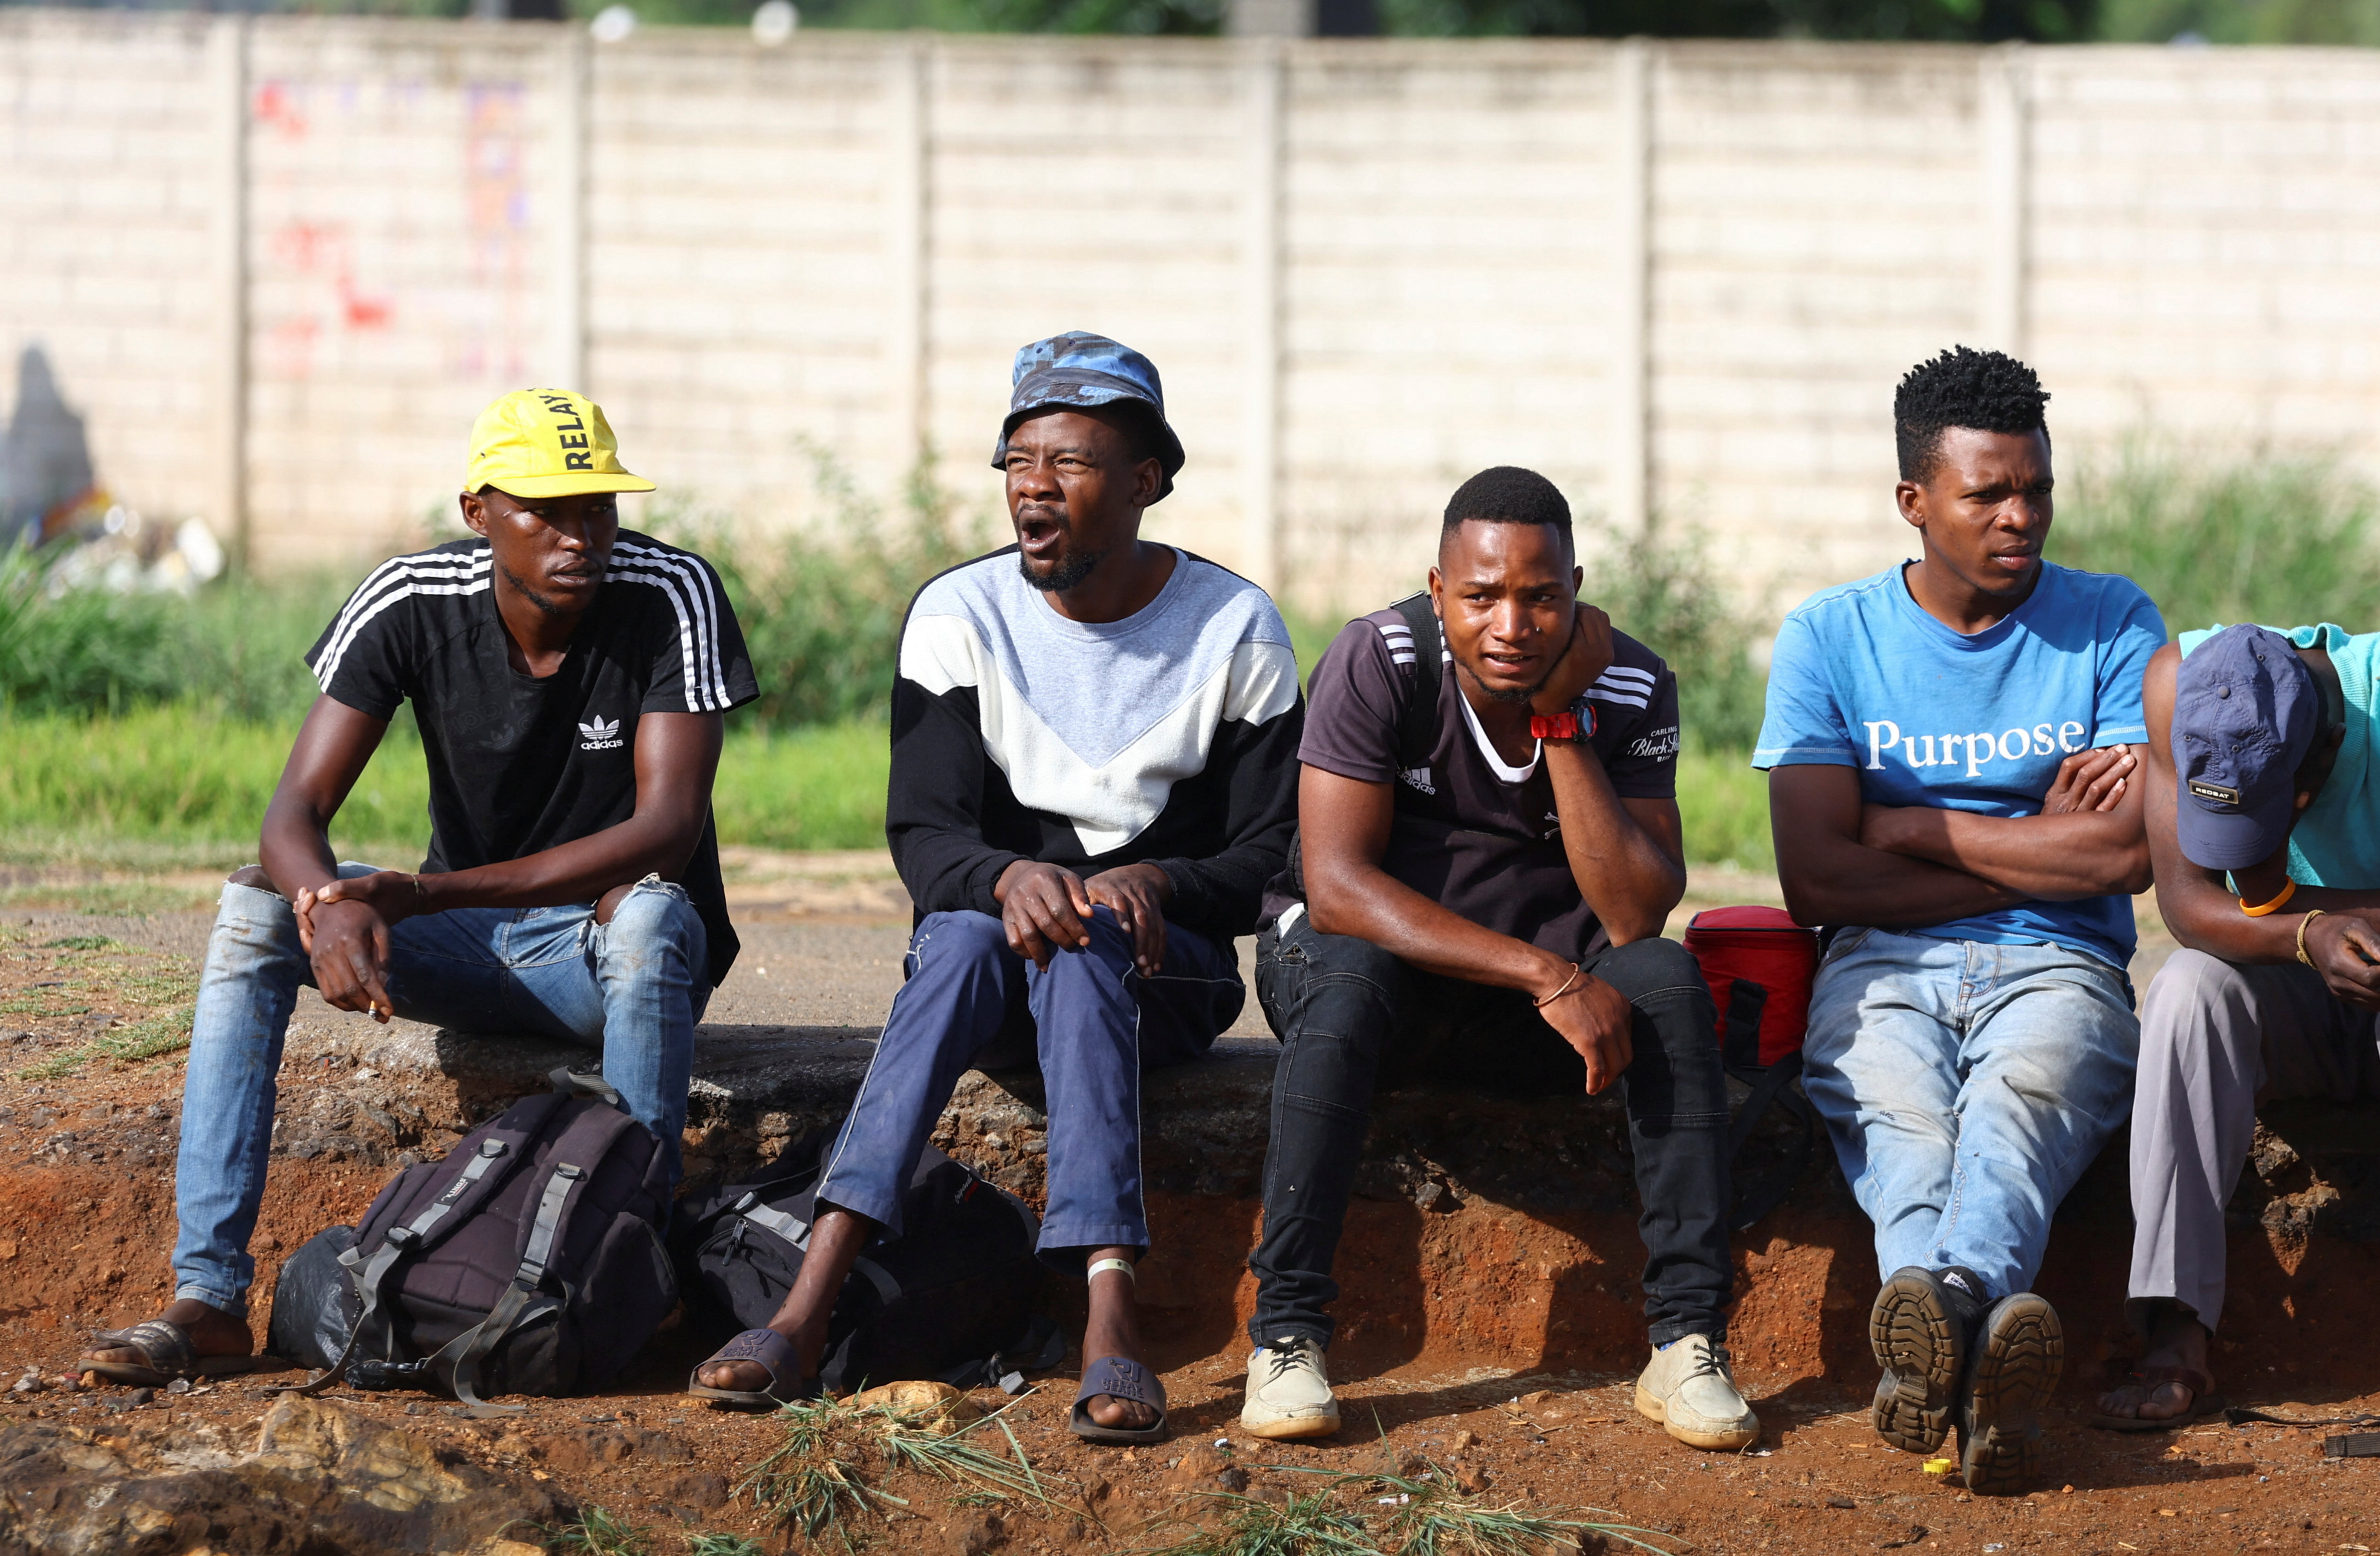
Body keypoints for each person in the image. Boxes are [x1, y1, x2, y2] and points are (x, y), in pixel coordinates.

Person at [690, 332, 1300, 1444]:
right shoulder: (958, 613)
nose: (1032, 485)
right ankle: (806, 1300)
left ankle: (1107, 1309)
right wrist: (1009, 872)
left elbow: (1269, 853)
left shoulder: (1234, 626)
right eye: (1017, 460)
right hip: (984, 968)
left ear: (1144, 481)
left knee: (1086, 941)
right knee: (969, 937)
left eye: (1066, 461)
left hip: (1166, 972)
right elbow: (922, 831)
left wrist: (1157, 876)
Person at [81, 388, 754, 1386]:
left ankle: (624, 1280)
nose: (581, 534)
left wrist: (421, 894)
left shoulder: (670, 591)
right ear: (478, 509)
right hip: (471, 941)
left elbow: (664, 830)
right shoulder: (410, 597)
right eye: (546, 509)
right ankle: (211, 1294)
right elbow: (291, 813)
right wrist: (325, 904)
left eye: (598, 507)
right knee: (250, 909)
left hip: (602, 955)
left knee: (656, 911)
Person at [1240, 466, 1759, 1453]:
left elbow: (1636, 907)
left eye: (1539, 596)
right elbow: (1339, 883)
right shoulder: (1381, 658)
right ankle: (1287, 1335)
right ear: (1438, 590)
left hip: (1529, 1014)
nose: (1510, 622)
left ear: (1577, 589)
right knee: (1350, 976)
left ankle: (1686, 1339)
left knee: (1668, 980)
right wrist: (1546, 974)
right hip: (1371, 985)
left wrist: (1561, 722)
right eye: (1480, 596)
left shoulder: (1634, 681)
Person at [1754, 347, 2166, 1494]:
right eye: (1986, 493)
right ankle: (1978, 1354)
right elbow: (1817, 883)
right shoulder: (1830, 637)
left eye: (2033, 487)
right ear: (1913, 501)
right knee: (1904, 1128)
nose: (2018, 515)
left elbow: (2123, 852)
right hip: (1877, 965)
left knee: (2014, 1115)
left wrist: (1909, 827)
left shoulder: (2112, 624)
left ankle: (1937, 1332)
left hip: (2062, 965)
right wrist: (2031, 840)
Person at [2095, 621, 2380, 1431]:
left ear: (2311, 779)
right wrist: (2304, 937)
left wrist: (2320, 922)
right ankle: (2174, 1324)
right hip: (2295, 984)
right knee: (2186, 988)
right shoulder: (2177, 684)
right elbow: (2190, 907)